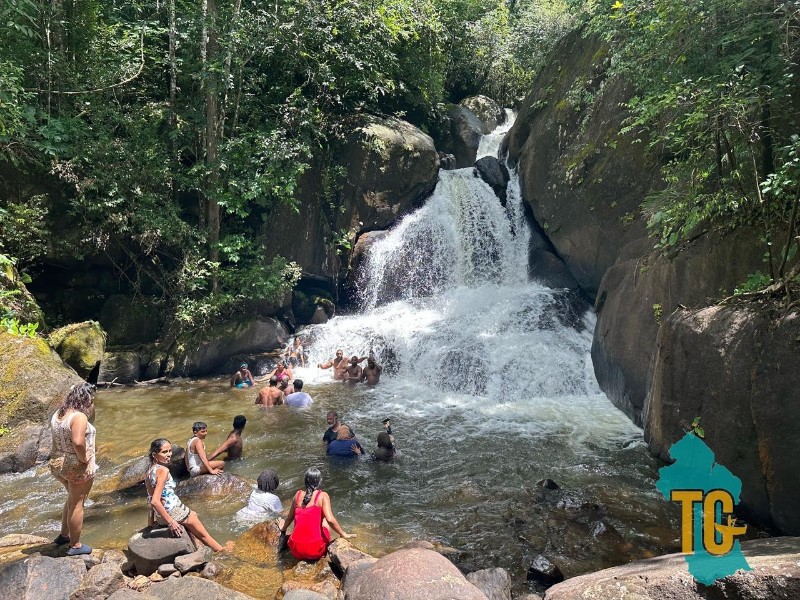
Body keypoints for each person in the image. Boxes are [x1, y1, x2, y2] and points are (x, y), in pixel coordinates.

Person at [146, 438, 234, 552]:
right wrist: (171, 522)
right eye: (164, 452)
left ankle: (197, 547)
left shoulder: (149, 472)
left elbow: (150, 498)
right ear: (154, 454)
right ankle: (223, 551)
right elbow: (154, 501)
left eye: (170, 451)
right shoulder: (163, 471)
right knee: (205, 536)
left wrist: (151, 523)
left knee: (193, 514)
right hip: (173, 512)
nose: (169, 454)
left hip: (161, 517)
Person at [49, 382, 98, 556]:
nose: (92, 403)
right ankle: (75, 545)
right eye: (91, 400)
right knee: (78, 503)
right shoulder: (79, 417)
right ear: (85, 399)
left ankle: (63, 535)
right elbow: (78, 442)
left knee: (72, 498)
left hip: (58, 463)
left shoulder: (59, 414)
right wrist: (85, 459)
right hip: (75, 465)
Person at [279, 467, 355, 560]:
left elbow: (290, 517)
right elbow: (330, 519)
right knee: (325, 520)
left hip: (295, 549)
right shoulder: (322, 496)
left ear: (305, 481)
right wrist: (342, 533)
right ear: (319, 481)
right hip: (315, 550)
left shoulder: (297, 495)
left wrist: (283, 528)